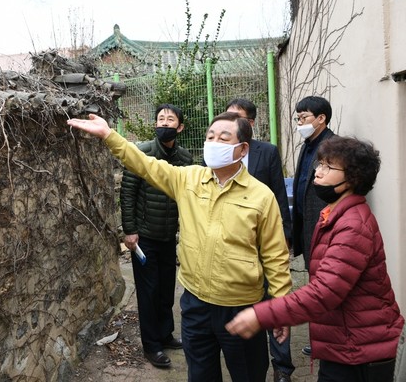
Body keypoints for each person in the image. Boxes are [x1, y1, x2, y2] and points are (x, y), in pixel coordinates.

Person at [67, 111, 292, 381]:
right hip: (196, 304)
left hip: (242, 307)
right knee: (200, 374)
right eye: (210, 136)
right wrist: (109, 135)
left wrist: (279, 309)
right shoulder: (189, 179)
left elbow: (275, 258)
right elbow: (146, 165)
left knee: (248, 374)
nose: (213, 142)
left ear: (242, 148)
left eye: (223, 137)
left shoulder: (260, 196)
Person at [226, 136, 404, 382]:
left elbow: (324, 292)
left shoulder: (352, 225)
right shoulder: (334, 214)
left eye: (328, 167)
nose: (317, 172)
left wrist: (263, 315)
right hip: (346, 344)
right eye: (319, 164)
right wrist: (285, 315)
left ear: (352, 178)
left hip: (361, 352)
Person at [225, 98, 294, 382]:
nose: (228, 122)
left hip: (265, 240)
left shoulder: (267, 152)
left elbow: (279, 194)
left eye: (236, 117)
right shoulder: (220, 153)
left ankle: (282, 367)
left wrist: (286, 236)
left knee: (275, 300)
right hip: (234, 244)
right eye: (226, 115)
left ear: (250, 124)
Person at [120, 104, 193, 368]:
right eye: (160, 119)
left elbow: (188, 196)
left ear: (180, 127)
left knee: (165, 289)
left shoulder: (185, 158)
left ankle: (165, 334)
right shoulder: (142, 153)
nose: (164, 123)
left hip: (167, 236)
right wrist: (129, 230)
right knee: (148, 292)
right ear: (154, 125)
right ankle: (151, 346)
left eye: (170, 119)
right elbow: (127, 193)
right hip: (144, 237)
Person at [291, 96, 335, 356]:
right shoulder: (307, 146)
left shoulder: (333, 147)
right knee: (315, 283)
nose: (300, 123)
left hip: (324, 228)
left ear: (321, 118)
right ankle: (319, 338)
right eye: (298, 118)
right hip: (308, 228)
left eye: (304, 117)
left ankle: (325, 341)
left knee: (325, 285)